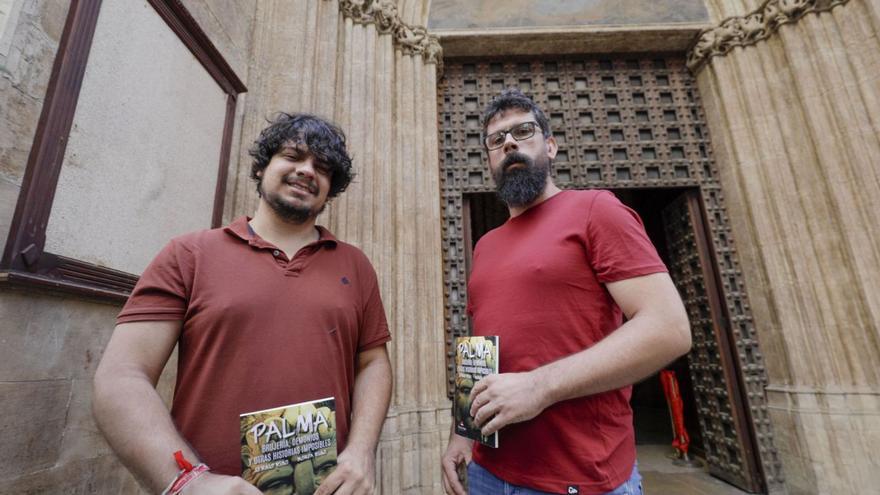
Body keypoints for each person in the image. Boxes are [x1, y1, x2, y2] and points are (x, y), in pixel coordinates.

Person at [93, 113, 392, 495]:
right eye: (292, 156)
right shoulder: (190, 253)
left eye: (322, 166)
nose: (306, 171)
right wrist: (188, 482)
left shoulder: (355, 265)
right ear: (262, 166)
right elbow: (122, 376)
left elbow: (373, 363)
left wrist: (361, 452)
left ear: (331, 188)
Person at [441, 89, 691, 495]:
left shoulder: (596, 210)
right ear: (489, 159)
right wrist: (462, 432)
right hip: (489, 472)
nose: (509, 143)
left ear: (551, 146)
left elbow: (669, 329)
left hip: (580, 476)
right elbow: (483, 348)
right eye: (496, 139)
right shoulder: (486, 245)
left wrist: (540, 387)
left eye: (523, 131)